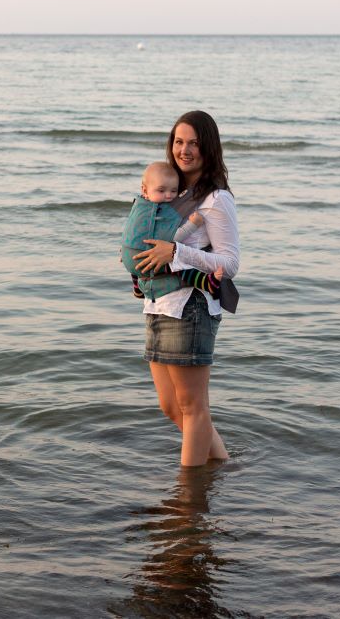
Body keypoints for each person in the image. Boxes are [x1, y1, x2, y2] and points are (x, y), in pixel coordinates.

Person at [133, 111, 239, 466]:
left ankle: (188, 500)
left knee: (192, 408)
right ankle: (221, 465)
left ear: (208, 147)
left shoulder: (216, 198)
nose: (185, 150)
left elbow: (231, 263)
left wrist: (176, 252)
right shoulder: (169, 192)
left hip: (191, 307)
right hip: (159, 303)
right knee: (171, 407)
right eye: (179, 142)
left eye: (194, 143)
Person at [126, 162, 225, 300]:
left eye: (173, 191)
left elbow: (129, 230)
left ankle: (137, 287)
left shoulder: (139, 206)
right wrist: (193, 224)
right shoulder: (159, 212)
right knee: (178, 265)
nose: (168, 196)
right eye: (161, 191)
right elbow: (171, 237)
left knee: (139, 259)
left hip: (131, 259)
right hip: (145, 260)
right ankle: (206, 282)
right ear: (144, 190)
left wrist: (127, 249)